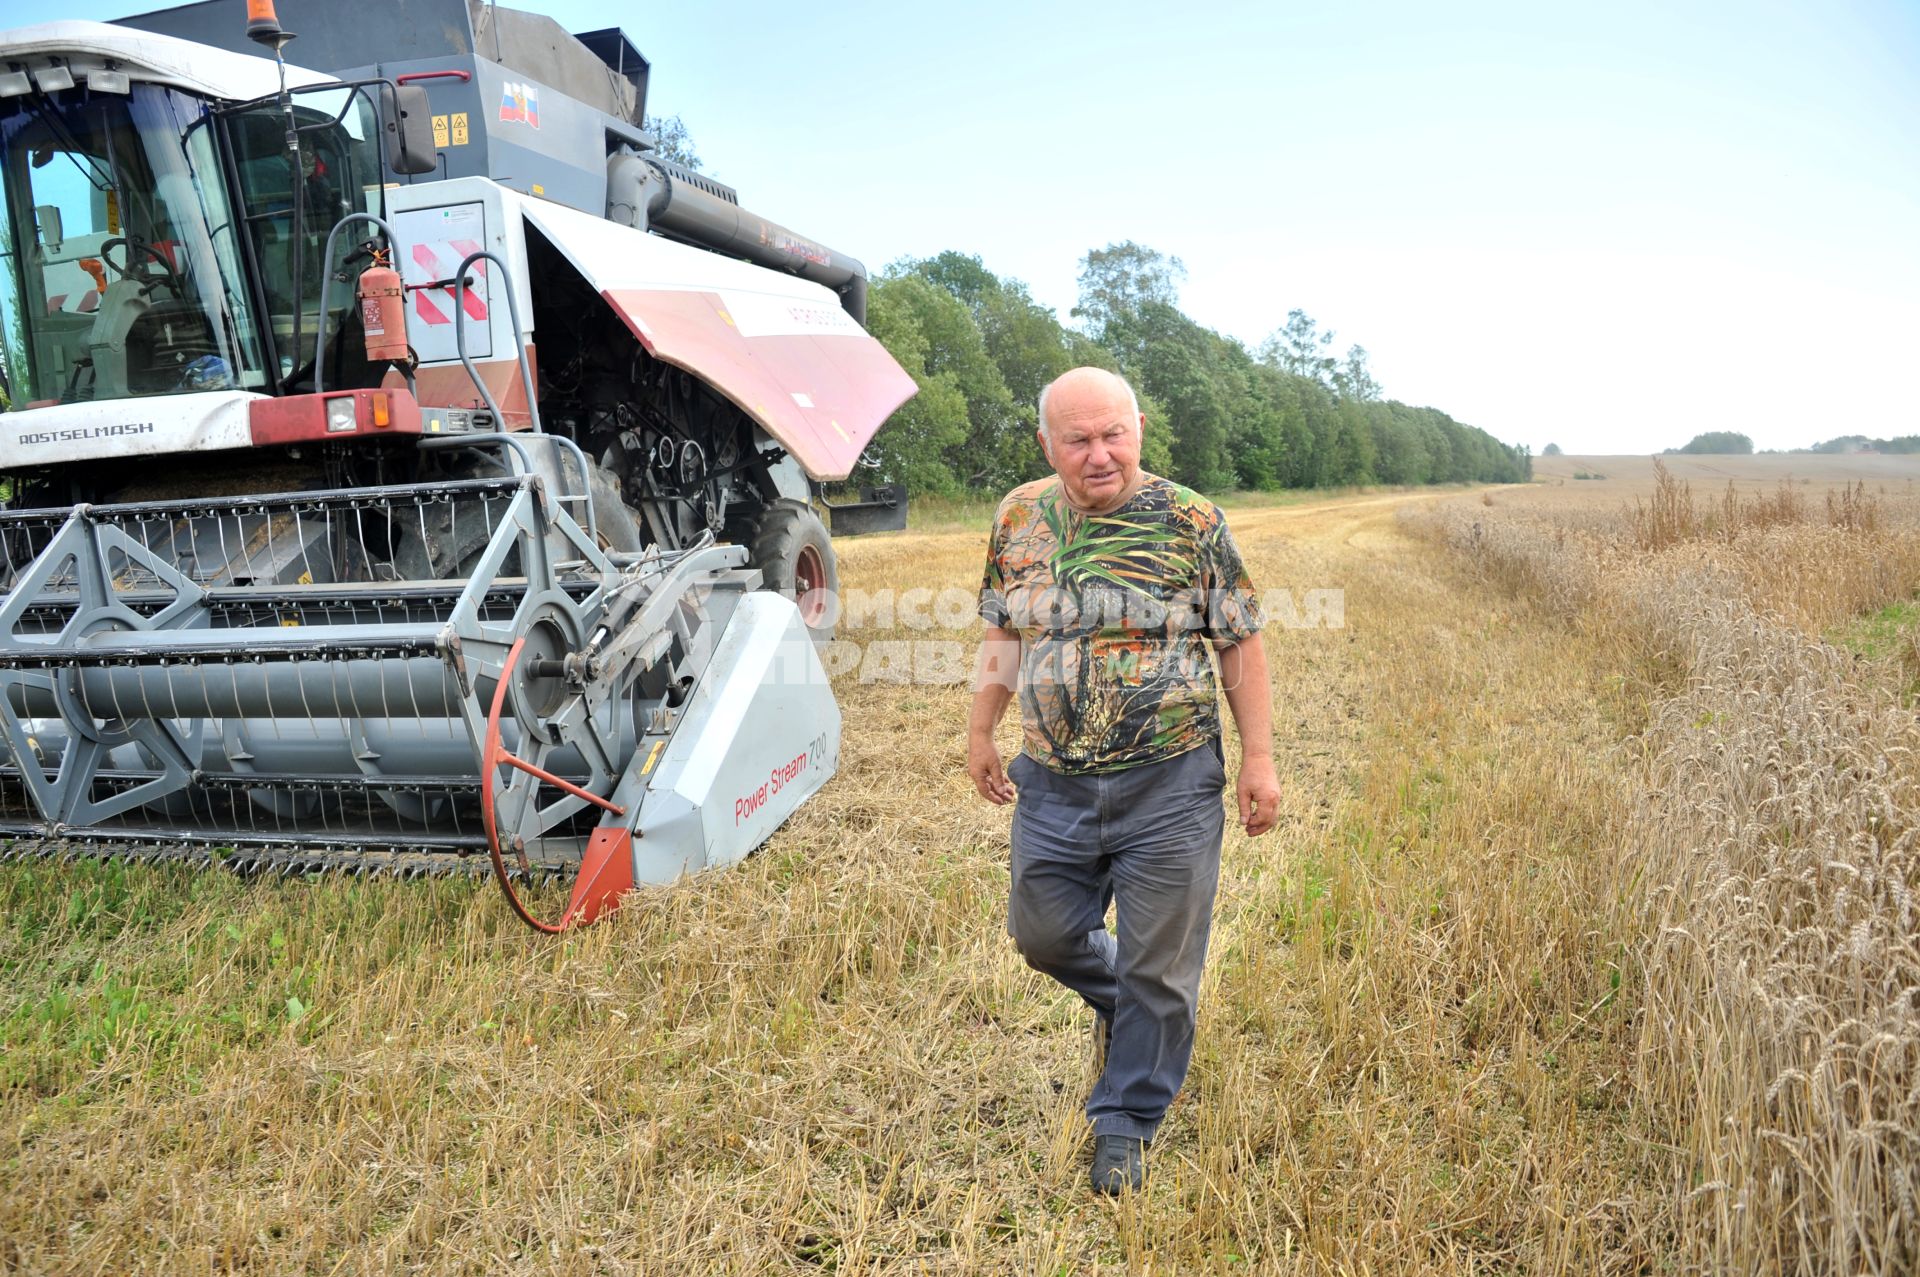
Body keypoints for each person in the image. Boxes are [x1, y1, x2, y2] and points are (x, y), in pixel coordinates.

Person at [968, 366, 1281, 1195]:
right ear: (1048, 443)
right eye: (1079, 439)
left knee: (1160, 963)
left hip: (1170, 784)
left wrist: (1259, 758)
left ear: (1140, 427)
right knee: (1042, 933)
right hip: (1054, 782)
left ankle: (1126, 1119)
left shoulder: (1190, 521)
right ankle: (1142, 1010)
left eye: (1115, 434)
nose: (1100, 454)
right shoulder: (1018, 517)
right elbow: (1004, 627)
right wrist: (978, 728)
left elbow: (1239, 643)